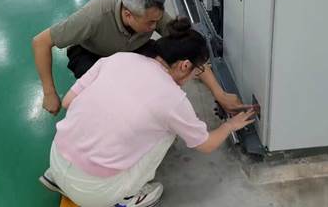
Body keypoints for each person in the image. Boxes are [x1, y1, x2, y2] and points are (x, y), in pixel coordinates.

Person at [39, 18, 256, 207]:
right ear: (184, 66)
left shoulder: (118, 58)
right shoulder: (173, 99)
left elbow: (68, 102)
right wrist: (230, 125)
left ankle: (60, 178)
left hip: (56, 160)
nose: (194, 76)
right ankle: (128, 197)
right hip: (93, 193)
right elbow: (206, 144)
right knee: (168, 131)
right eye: (197, 70)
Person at [32, 0, 247, 116]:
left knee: (161, 67)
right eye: (150, 23)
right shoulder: (94, 16)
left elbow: (191, 51)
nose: (155, 26)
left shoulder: (153, 15)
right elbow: (41, 42)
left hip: (134, 49)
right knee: (106, 100)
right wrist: (49, 93)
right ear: (128, 15)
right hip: (94, 55)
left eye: (157, 21)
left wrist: (220, 93)